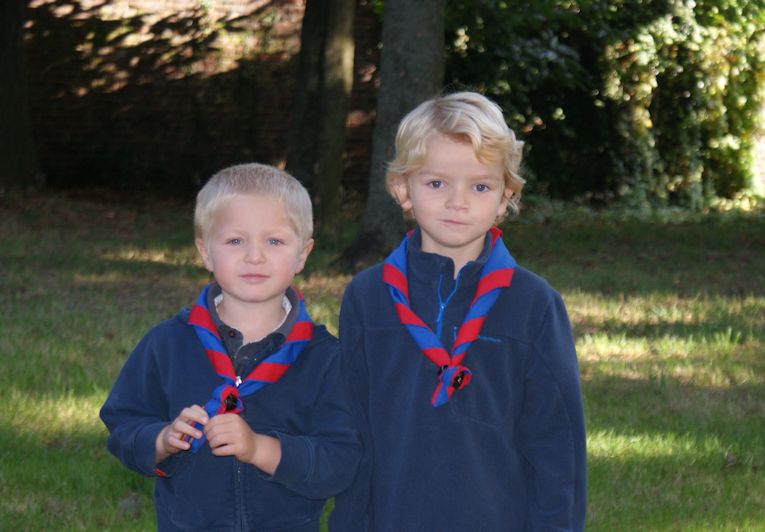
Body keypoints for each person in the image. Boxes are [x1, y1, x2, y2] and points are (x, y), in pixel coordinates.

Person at [329, 92, 587, 531]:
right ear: (402, 189)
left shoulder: (534, 304)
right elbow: (354, 432)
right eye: (437, 183)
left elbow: (557, 447)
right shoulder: (367, 298)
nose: (458, 201)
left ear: (505, 197)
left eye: (480, 187)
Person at [100, 163, 361, 531]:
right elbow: (123, 424)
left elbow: (342, 459)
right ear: (205, 251)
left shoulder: (326, 359)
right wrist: (161, 440)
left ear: (303, 254)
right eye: (235, 240)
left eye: (274, 241)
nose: (254, 255)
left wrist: (260, 449)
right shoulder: (167, 344)